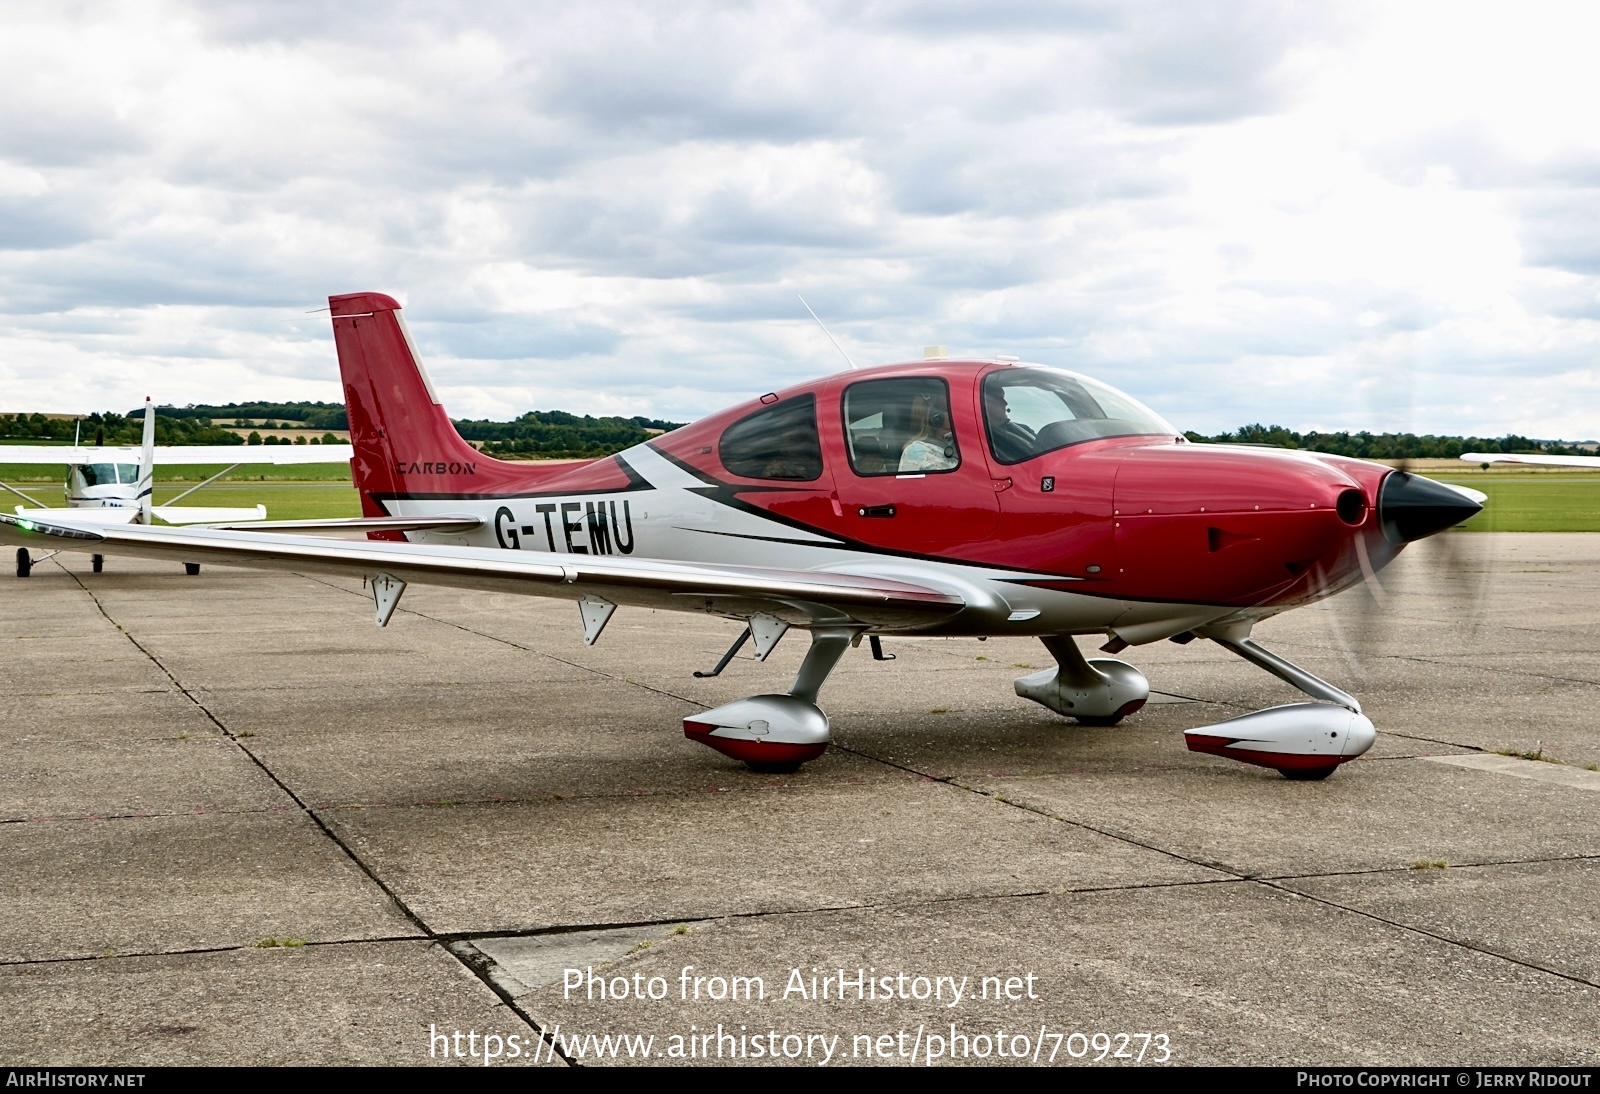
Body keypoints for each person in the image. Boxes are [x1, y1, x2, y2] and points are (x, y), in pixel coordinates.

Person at [898, 393, 958, 472]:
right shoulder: (916, 451)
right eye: (948, 409)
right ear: (936, 417)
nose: (955, 413)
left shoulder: (957, 444)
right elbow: (908, 482)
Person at [982, 383, 1036, 463]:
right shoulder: (984, 437)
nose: (1005, 403)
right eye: (998, 398)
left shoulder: (1024, 429)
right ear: (984, 402)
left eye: (1003, 397)